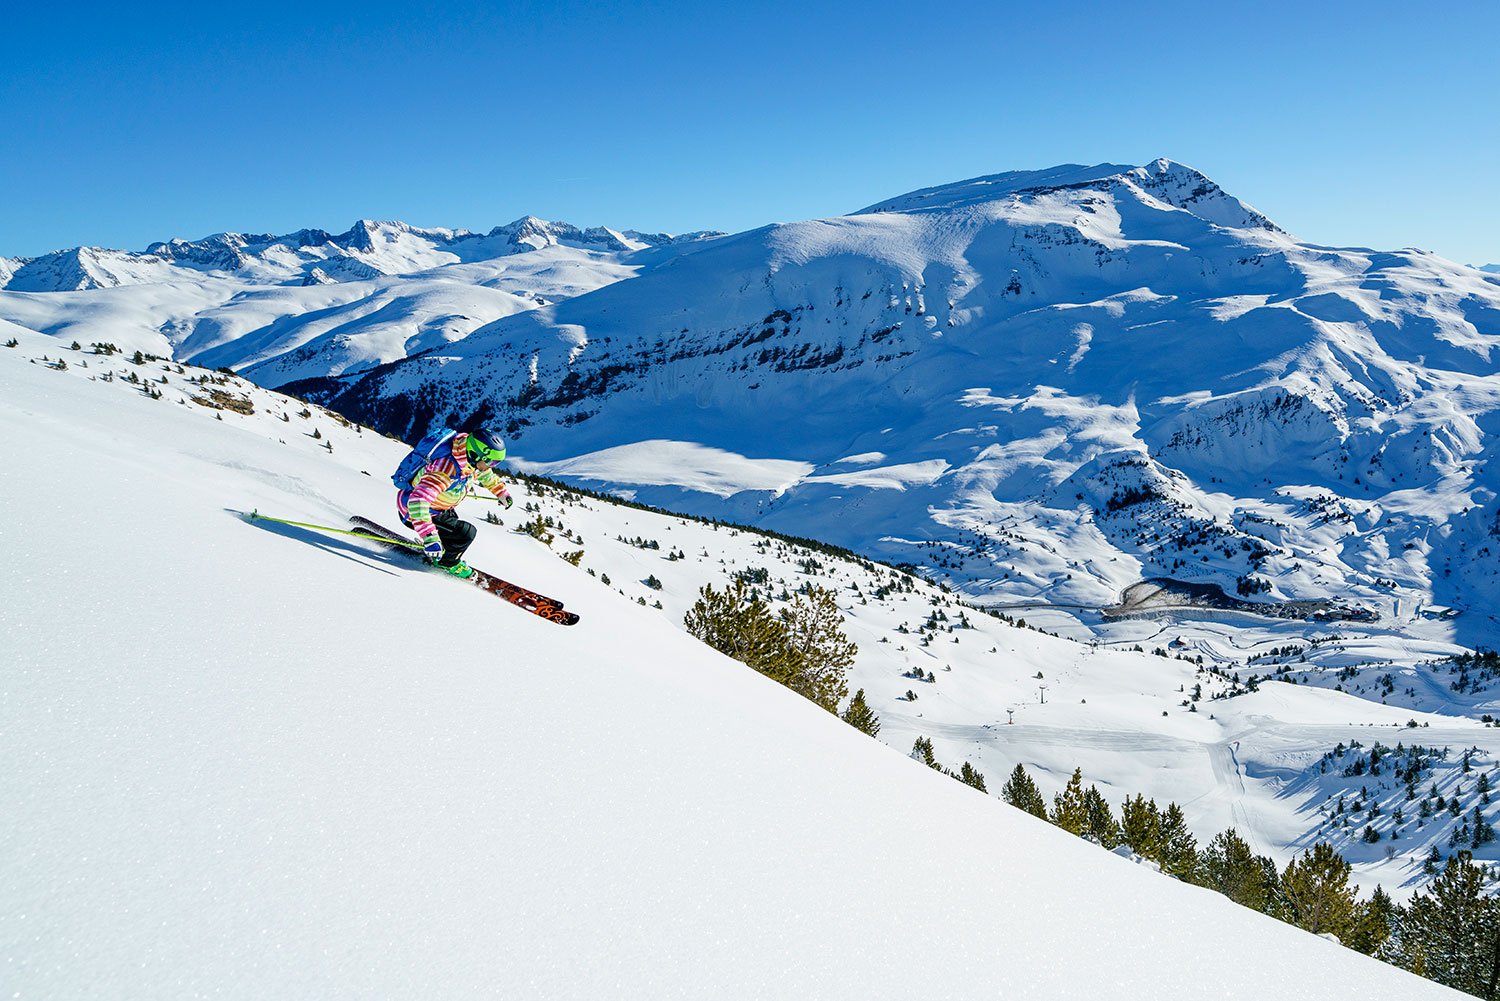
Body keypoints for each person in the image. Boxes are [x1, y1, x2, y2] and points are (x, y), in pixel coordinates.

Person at [395, 427, 514, 578]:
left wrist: (501, 491)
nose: (491, 466)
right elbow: (418, 502)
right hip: (414, 513)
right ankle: (446, 563)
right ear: (475, 454)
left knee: (454, 531)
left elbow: (485, 474)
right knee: (465, 534)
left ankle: (441, 550)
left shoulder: (467, 457)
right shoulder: (446, 470)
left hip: (439, 508)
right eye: (491, 462)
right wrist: (429, 537)